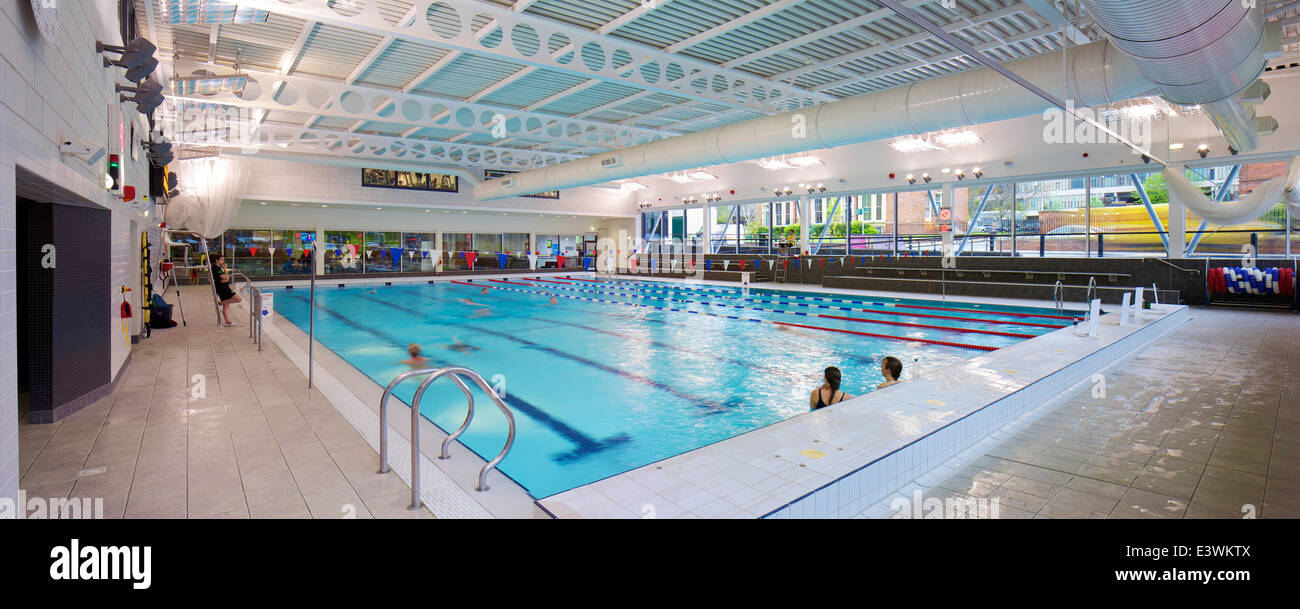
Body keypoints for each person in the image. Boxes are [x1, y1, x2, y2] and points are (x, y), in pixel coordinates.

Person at [211, 254, 241, 327]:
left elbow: (224, 279)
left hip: (222, 287)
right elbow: (226, 278)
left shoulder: (217, 267)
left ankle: (228, 322)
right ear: (217, 260)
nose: (223, 261)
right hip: (223, 288)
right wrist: (225, 269)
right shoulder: (217, 268)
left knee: (226, 305)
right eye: (222, 259)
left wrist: (224, 275)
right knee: (238, 299)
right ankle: (220, 303)